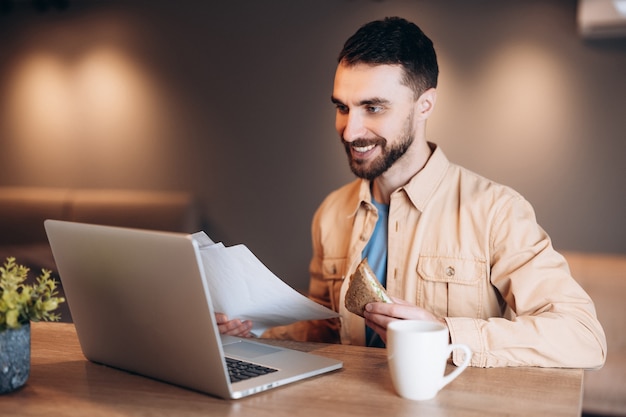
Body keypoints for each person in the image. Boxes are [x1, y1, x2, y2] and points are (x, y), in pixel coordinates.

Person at [218, 16, 606, 368]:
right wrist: (251, 330)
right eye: (342, 107)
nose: (350, 131)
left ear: (425, 105)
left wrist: (446, 334)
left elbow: (583, 337)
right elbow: (326, 328)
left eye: (373, 107)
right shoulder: (331, 213)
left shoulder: (497, 211)